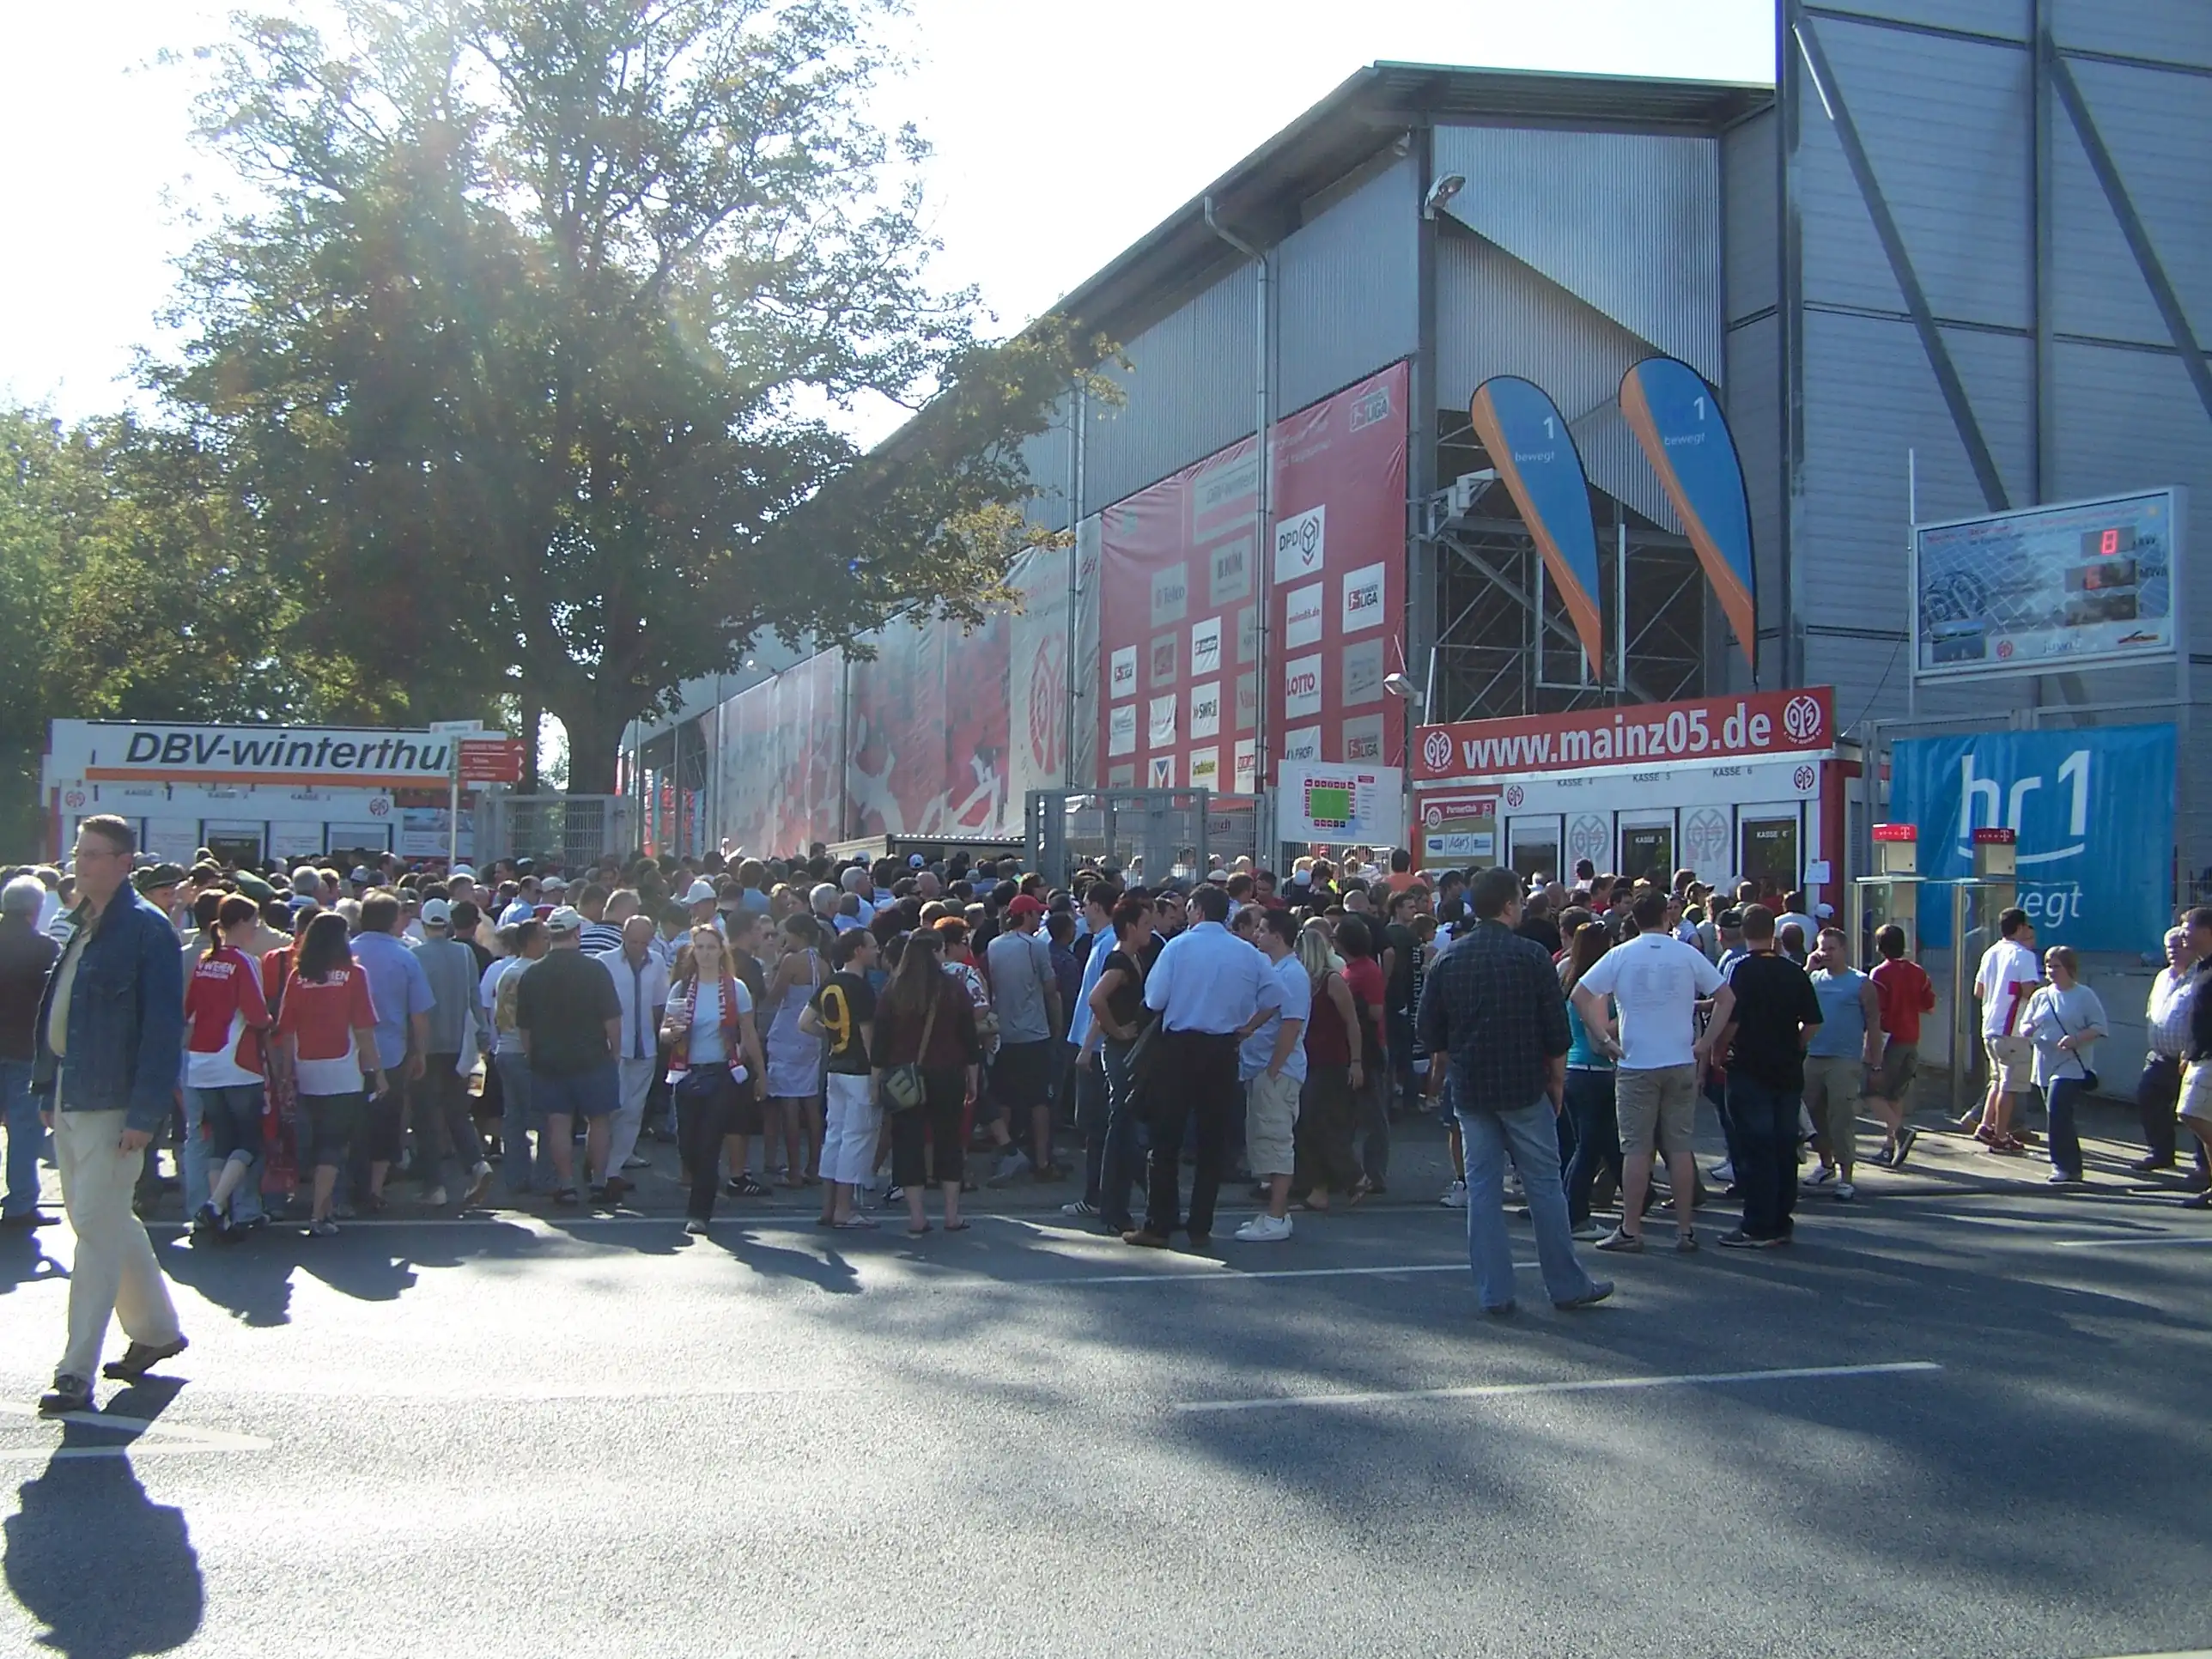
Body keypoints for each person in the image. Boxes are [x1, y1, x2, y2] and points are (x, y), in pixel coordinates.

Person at [31, 817, 191, 1413]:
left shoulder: (146, 929)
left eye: (94, 854)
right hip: (73, 1091)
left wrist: (145, 1113)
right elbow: (60, 1010)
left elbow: (161, 1030)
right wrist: (47, 1086)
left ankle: (75, 1370)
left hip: (114, 1102)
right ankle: (156, 1331)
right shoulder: (83, 922)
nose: (81, 863)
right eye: (79, 852)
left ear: (125, 863)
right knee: (103, 1221)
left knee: (96, 1231)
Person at [1419, 866, 1612, 1315]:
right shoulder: (1531, 956)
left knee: (1483, 1190)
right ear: (1509, 906)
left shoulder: (1449, 958)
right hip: (1525, 1085)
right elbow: (1556, 1030)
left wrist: (1450, 1064)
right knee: (1544, 1186)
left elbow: (1430, 1031)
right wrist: (1557, 1082)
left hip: (1472, 1087)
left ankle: (1494, 1291)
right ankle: (1566, 1284)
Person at [1571, 889, 1730, 1254]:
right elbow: (1726, 997)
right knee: (1680, 1147)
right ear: (1666, 916)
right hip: (1679, 1059)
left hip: (1636, 1062)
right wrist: (1705, 1043)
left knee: (1636, 1150)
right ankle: (1685, 1230)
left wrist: (1604, 1039)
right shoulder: (1686, 953)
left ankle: (1631, 1229)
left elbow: (1580, 994)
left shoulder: (1621, 954)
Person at [1127, 884, 1274, 1249]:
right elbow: (1275, 996)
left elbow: (1155, 998)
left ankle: (1158, 1224)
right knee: (1212, 1143)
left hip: (1179, 1048)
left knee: (1165, 1141)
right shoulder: (1247, 952)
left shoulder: (1178, 947)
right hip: (1223, 1049)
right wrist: (1247, 1027)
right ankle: (1200, 1226)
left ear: (1197, 910)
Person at [1705, 904, 1822, 1247]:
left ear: (1744, 932)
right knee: (1785, 1146)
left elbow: (1733, 1019)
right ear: (1774, 932)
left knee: (1755, 1148)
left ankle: (1757, 1224)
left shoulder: (1741, 970)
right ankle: (1781, 1219)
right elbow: (1813, 1021)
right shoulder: (1793, 970)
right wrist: (1797, 1043)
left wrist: (1717, 1052)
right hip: (1787, 1068)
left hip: (1750, 1066)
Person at [272, 910, 387, 1240]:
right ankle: (320, 1212)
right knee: (334, 1143)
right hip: (343, 1070)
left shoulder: (297, 977)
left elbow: (286, 1031)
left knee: (313, 1140)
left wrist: (285, 1074)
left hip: (307, 1067)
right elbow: (363, 1031)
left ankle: (313, 1203)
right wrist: (378, 1072)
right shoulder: (354, 975)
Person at [872, 930, 983, 1236]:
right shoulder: (953, 988)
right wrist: (973, 1079)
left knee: (907, 1143)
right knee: (949, 1141)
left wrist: (876, 1080)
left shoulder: (894, 989)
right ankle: (951, 1214)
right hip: (948, 1072)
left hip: (904, 1076)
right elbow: (969, 1038)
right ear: (937, 951)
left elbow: (881, 1041)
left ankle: (917, 1216)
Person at [661, 924, 768, 1232]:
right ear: (693, 951)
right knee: (688, 1146)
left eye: (711, 947)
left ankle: (699, 1213)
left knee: (709, 1144)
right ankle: (704, 1186)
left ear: (721, 950)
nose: (706, 953)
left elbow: (749, 1033)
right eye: (700, 947)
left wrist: (761, 1074)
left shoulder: (736, 988)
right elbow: (665, 1033)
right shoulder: (681, 989)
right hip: (686, 1073)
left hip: (722, 1074)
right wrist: (672, 1033)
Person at [514, 907, 623, 1206]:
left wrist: (532, 1054)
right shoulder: (595, 969)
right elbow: (612, 1018)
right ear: (577, 933)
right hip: (593, 1057)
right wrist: (616, 1052)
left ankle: (566, 1184)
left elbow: (524, 1026)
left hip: (549, 1060)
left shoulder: (533, 973)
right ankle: (599, 1182)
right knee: (599, 1121)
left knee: (558, 1123)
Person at [181, 894, 275, 1239]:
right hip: (236, 1060)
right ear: (240, 923)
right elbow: (257, 1014)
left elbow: (189, 1010)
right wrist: (270, 1022)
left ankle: (219, 1215)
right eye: (254, 922)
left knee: (220, 1138)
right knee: (249, 1139)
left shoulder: (205, 960)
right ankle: (216, 1203)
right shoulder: (244, 961)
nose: (257, 929)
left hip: (201, 1060)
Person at [349, 892, 434, 1212]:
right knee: (386, 1121)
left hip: (349, 1053)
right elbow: (420, 1014)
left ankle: (351, 1186)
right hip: (391, 1052)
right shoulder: (405, 957)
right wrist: (421, 1052)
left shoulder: (347, 952)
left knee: (352, 1122)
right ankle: (375, 1188)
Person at [408, 896, 494, 1208]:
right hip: (460, 1046)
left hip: (425, 1047)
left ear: (424, 923)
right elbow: (474, 998)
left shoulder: (414, 955)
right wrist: (483, 1037)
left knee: (426, 1117)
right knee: (457, 1111)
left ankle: (435, 1186)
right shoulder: (464, 954)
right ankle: (477, 1164)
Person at [1232, 909, 1310, 1242]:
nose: (1257, 935)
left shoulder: (1293, 974)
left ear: (1278, 937)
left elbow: (1292, 1024)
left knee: (1277, 1142)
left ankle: (1277, 1216)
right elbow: (1267, 1011)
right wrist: (1246, 1031)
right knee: (1264, 1140)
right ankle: (1272, 1213)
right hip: (1260, 1069)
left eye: (1263, 930)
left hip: (1278, 1072)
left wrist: (1275, 1068)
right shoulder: (1276, 970)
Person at [1082, 893, 1155, 1236]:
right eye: (1145, 924)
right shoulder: (1119, 962)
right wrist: (1117, 1031)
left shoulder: (1133, 957)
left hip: (1128, 1051)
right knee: (1121, 1127)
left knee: (1127, 1126)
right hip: (1120, 1052)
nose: (1150, 928)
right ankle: (1114, 1208)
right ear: (1129, 927)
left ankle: (1137, 1198)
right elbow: (1097, 999)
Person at [1799, 927, 1884, 1200]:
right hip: (1813, 1056)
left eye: (1831, 948)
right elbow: (1791, 995)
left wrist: (1875, 1062)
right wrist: (1808, 967)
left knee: (1841, 1118)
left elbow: (1873, 1023)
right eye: (1821, 947)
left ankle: (1846, 1177)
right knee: (1810, 1117)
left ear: (1843, 950)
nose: (1825, 953)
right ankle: (1826, 1164)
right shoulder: (1813, 978)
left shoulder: (1860, 982)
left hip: (1844, 1059)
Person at [802, 928, 879, 1229]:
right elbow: (868, 1035)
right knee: (856, 1138)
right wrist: (876, 1073)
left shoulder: (830, 983)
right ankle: (844, 1209)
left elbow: (805, 1022)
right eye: (872, 946)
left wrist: (832, 1035)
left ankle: (828, 1207)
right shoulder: (861, 987)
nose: (876, 951)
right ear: (858, 950)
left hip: (836, 1066)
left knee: (834, 1135)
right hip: (859, 1069)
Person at [986, 892, 1065, 1182]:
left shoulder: (993, 946)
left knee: (1003, 1098)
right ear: (1027, 915)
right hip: (1034, 1034)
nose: (1039, 919)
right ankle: (1042, 1161)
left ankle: (1004, 1156)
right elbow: (1051, 990)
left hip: (1004, 1034)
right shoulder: (1036, 947)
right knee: (1039, 1101)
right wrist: (1057, 1027)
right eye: (1037, 914)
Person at [1292, 920, 1367, 1214]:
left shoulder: (1331, 981)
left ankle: (1353, 1175)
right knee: (1307, 1126)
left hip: (1331, 1061)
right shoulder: (1304, 983)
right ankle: (1318, 1189)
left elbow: (1352, 1023)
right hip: (1308, 1060)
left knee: (1320, 1123)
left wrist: (1356, 1062)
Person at [0, 874, 60, 1227]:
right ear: (35, 909)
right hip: (25, 1047)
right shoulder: (44, 948)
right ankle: (21, 1202)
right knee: (25, 1130)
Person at [596, 913, 668, 1203]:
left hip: (645, 1046)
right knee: (610, 1109)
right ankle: (599, 1166)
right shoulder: (604, 962)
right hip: (612, 1047)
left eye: (643, 942)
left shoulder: (657, 962)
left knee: (633, 1111)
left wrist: (658, 1036)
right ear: (623, 937)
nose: (638, 947)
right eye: (633, 941)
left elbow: (660, 1004)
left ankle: (613, 1170)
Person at [2021, 946, 2107, 1187]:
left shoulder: (2084, 995)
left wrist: (2076, 1039)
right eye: (2048, 966)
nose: (2051, 971)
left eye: (2056, 966)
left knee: (2058, 1110)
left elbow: (2099, 1027)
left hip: (2071, 1064)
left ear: (2070, 968)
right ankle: (2073, 1168)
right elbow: (2025, 1024)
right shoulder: (2041, 996)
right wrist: (2029, 1029)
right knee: (2056, 1114)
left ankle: (2062, 1165)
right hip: (2045, 1062)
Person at [1559, 921, 1621, 1241]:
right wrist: (1623, 1018)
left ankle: (1639, 1194)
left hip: (1574, 1068)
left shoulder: (1570, 979)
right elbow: (1598, 1038)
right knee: (1588, 1148)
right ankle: (1574, 1214)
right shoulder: (1594, 989)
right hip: (1593, 1070)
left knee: (1602, 1142)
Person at [761, 915, 826, 1188]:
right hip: (812, 1034)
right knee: (810, 1101)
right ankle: (814, 1167)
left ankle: (794, 1171)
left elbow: (773, 996)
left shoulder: (791, 961)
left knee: (789, 1101)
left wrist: (771, 970)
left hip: (788, 1032)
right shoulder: (824, 965)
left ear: (798, 934)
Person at [483, 919, 549, 1195]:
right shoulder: (534, 973)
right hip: (525, 1052)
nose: (548, 943)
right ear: (530, 941)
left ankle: (516, 1177)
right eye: (544, 938)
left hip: (505, 1051)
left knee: (514, 1118)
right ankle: (545, 1178)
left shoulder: (507, 971)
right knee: (545, 1118)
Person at [1970, 908, 2042, 1152]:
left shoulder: (1991, 953)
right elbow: (2028, 991)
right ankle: (2001, 1137)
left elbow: (1978, 991)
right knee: (2010, 1086)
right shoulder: (2024, 955)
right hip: (2012, 1030)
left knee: (1997, 1080)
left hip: (1990, 1026)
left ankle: (1985, 1125)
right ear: (2020, 927)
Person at [2134, 926, 2201, 1177]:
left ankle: (2203, 1165)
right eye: (2168, 947)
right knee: (2148, 1098)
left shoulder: (2201, 976)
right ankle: (2160, 1153)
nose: (2172, 951)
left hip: (2189, 1059)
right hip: (2159, 1056)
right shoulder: (2163, 977)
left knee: (2194, 1112)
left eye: (2178, 946)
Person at [1867, 923, 1934, 1170]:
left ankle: (1899, 1132)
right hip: (1911, 1037)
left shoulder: (1879, 974)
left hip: (1889, 1039)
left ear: (1879, 947)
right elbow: (1929, 1006)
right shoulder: (1918, 972)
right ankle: (1889, 1146)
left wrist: (1870, 1050)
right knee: (1895, 1094)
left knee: (1870, 1091)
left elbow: (1874, 1013)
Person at [1334, 915, 1391, 1194]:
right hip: (1354, 1046)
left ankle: (1375, 1174)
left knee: (1374, 1114)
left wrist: (1350, 1006)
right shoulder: (1350, 969)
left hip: (1370, 1048)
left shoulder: (1367, 971)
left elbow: (1376, 1011)